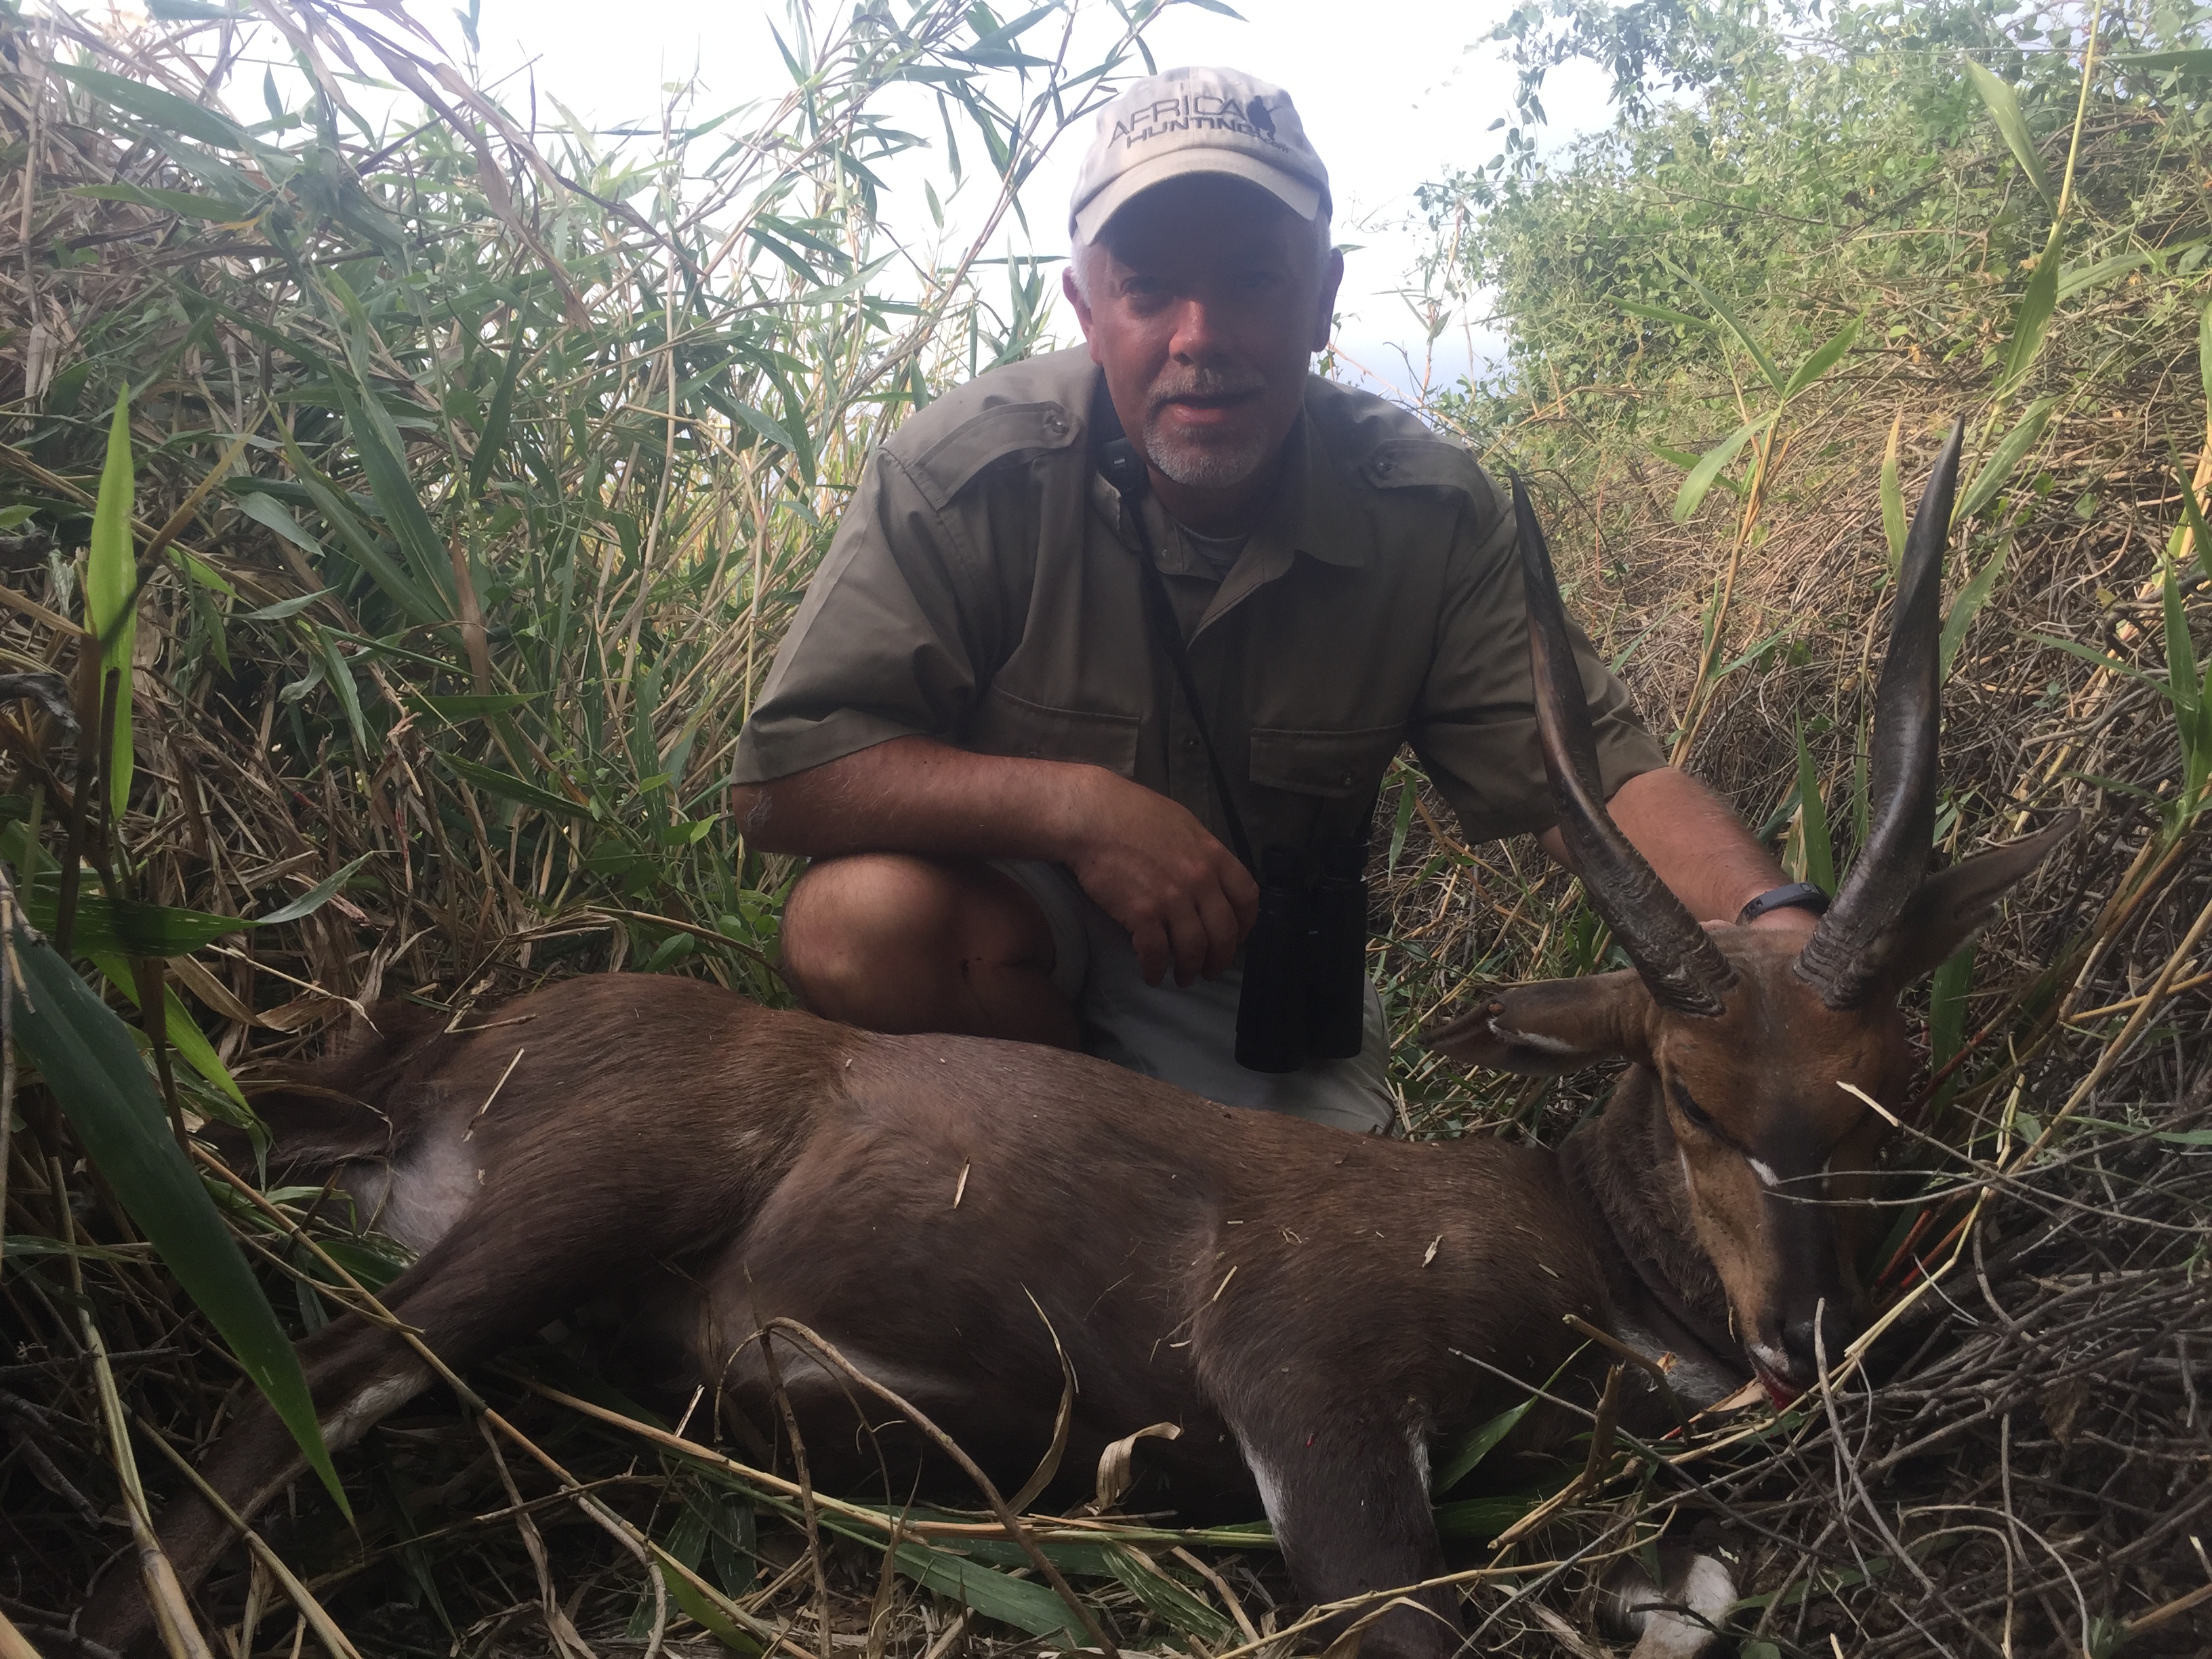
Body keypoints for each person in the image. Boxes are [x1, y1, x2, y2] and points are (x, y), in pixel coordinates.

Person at [729, 67, 1823, 1134]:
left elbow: (1598, 785)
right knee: (861, 924)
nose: (1200, 335)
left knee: (1322, 1259)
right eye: (1149, 287)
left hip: (1246, 967)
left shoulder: (1428, 513)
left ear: (1323, 301)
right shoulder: (966, 472)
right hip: (1012, 941)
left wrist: (1784, 936)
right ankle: (1065, 1163)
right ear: (1087, 307)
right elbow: (787, 785)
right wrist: (1079, 811)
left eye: (1255, 278)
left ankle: (1152, 1155)